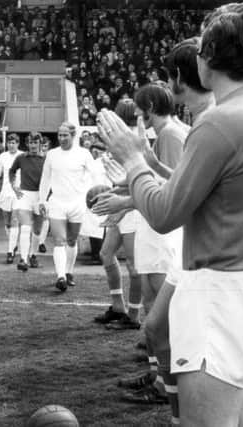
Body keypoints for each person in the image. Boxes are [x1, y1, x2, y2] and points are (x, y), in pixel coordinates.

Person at [97, 4, 243, 425]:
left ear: (210, 56)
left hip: (219, 295)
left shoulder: (220, 121)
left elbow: (164, 214)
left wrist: (133, 162)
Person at [93, 82, 189, 407]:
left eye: (138, 107)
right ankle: (158, 375)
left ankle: (167, 385)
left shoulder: (170, 135)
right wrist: (122, 185)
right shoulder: (163, 135)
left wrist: (122, 201)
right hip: (152, 223)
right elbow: (155, 176)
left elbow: (170, 187)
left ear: (148, 106)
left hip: (161, 229)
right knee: (151, 303)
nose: (136, 114)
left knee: (160, 313)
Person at [92, 99, 143, 330]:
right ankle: (118, 306)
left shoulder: (133, 138)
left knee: (134, 266)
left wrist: (120, 205)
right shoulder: (122, 138)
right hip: (121, 202)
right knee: (105, 253)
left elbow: (136, 178)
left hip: (131, 207)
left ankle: (133, 316)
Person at [39, 122, 97, 291]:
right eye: (60, 135)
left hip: (77, 203)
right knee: (59, 240)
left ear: (73, 136)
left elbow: (94, 175)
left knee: (71, 240)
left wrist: (95, 195)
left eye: (65, 135)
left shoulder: (84, 154)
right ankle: (61, 276)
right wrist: (42, 200)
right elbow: (45, 179)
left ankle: (69, 272)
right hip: (57, 202)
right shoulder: (51, 154)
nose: (62, 138)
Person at [9, 131, 45, 272]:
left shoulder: (46, 159)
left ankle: (33, 255)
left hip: (40, 197)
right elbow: (12, 171)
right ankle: (23, 259)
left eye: (36, 142)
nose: (33, 145)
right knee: (25, 227)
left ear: (40, 144)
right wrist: (13, 186)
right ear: (27, 144)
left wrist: (48, 196)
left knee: (37, 230)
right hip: (25, 195)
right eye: (30, 142)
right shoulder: (21, 157)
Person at [0, 133, 23, 264]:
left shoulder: (23, 156)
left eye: (14, 142)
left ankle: (9, 252)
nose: (11, 145)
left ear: (18, 144)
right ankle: (13, 245)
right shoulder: (3, 156)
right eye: (9, 142)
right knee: (8, 223)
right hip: (5, 193)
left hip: (19, 194)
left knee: (15, 221)